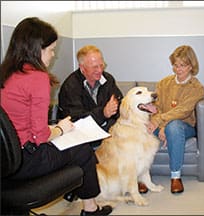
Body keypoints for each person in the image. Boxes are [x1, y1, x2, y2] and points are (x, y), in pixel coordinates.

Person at [0, 17, 112, 216]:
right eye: (51, 49)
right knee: (82, 149)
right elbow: (40, 136)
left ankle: (75, 193)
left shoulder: (6, 74)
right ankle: (91, 209)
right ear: (37, 49)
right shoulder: (37, 78)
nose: (53, 55)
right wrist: (60, 128)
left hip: (6, 160)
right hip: (27, 160)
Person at [147, 45, 204, 194]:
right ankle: (142, 176)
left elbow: (182, 111)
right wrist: (159, 125)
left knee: (174, 127)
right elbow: (157, 106)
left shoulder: (197, 87)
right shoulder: (164, 83)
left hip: (184, 125)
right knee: (143, 128)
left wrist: (164, 126)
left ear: (191, 66)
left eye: (183, 66)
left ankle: (175, 176)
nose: (178, 69)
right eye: (175, 65)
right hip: (163, 122)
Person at [58, 45, 123, 150]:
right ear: (82, 68)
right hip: (83, 140)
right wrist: (103, 113)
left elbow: (119, 106)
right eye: (95, 67)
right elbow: (76, 120)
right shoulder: (70, 86)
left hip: (108, 134)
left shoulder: (108, 79)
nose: (100, 70)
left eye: (101, 65)